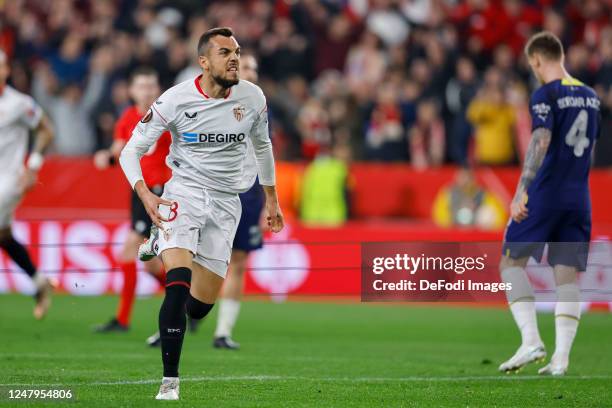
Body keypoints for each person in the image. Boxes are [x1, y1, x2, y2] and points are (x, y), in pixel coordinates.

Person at [119, 28, 283, 400]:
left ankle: (160, 243)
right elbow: (130, 152)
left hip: (228, 203)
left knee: (198, 308)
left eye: (237, 51)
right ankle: (170, 381)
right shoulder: (174, 100)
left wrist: (272, 198)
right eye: (225, 52)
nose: (234, 58)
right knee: (176, 283)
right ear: (204, 61)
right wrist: (144, 193)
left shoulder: (253, 97)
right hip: (185, 194)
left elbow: (263, 145)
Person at [499, 32, 601, 376]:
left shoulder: (546, 94)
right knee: (567, 278)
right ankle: (561, 359)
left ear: (537, 60)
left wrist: (520, 191)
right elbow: (591, 150)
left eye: (532, 64)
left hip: (547, 192)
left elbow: (540, 140)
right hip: (578, 195)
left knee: (510, 262)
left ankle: (531, 341)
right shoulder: (590, 96)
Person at [92, 67, 170, 333]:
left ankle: (123, 319)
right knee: (149, 264)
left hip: (159, 192)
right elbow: (118, 150)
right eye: (142, 85)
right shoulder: (127, 117)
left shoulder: (166, 115)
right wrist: (107, 157)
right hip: (139, 192)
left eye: (151, 85)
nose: (147, 90)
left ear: (157, 90)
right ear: (132, 91)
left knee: (130, 252)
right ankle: (188, 304)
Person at [212, 53, 266, 350]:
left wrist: (270, 197)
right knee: (198, 258)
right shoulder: (216, 100)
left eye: (253, 68)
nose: (250, 71)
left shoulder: (260, 107)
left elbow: (264, 154)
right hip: (216, 189)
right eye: (246, 66)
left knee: (240, 261)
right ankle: (192, 309)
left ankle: (223, 331)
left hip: (249, 193)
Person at [0, 49, 55, 319]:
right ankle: (39, 282)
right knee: (3, 235)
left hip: (10, 179)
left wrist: (33, 166)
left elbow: (46, 129)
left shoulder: (19, 103)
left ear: (5, 71)